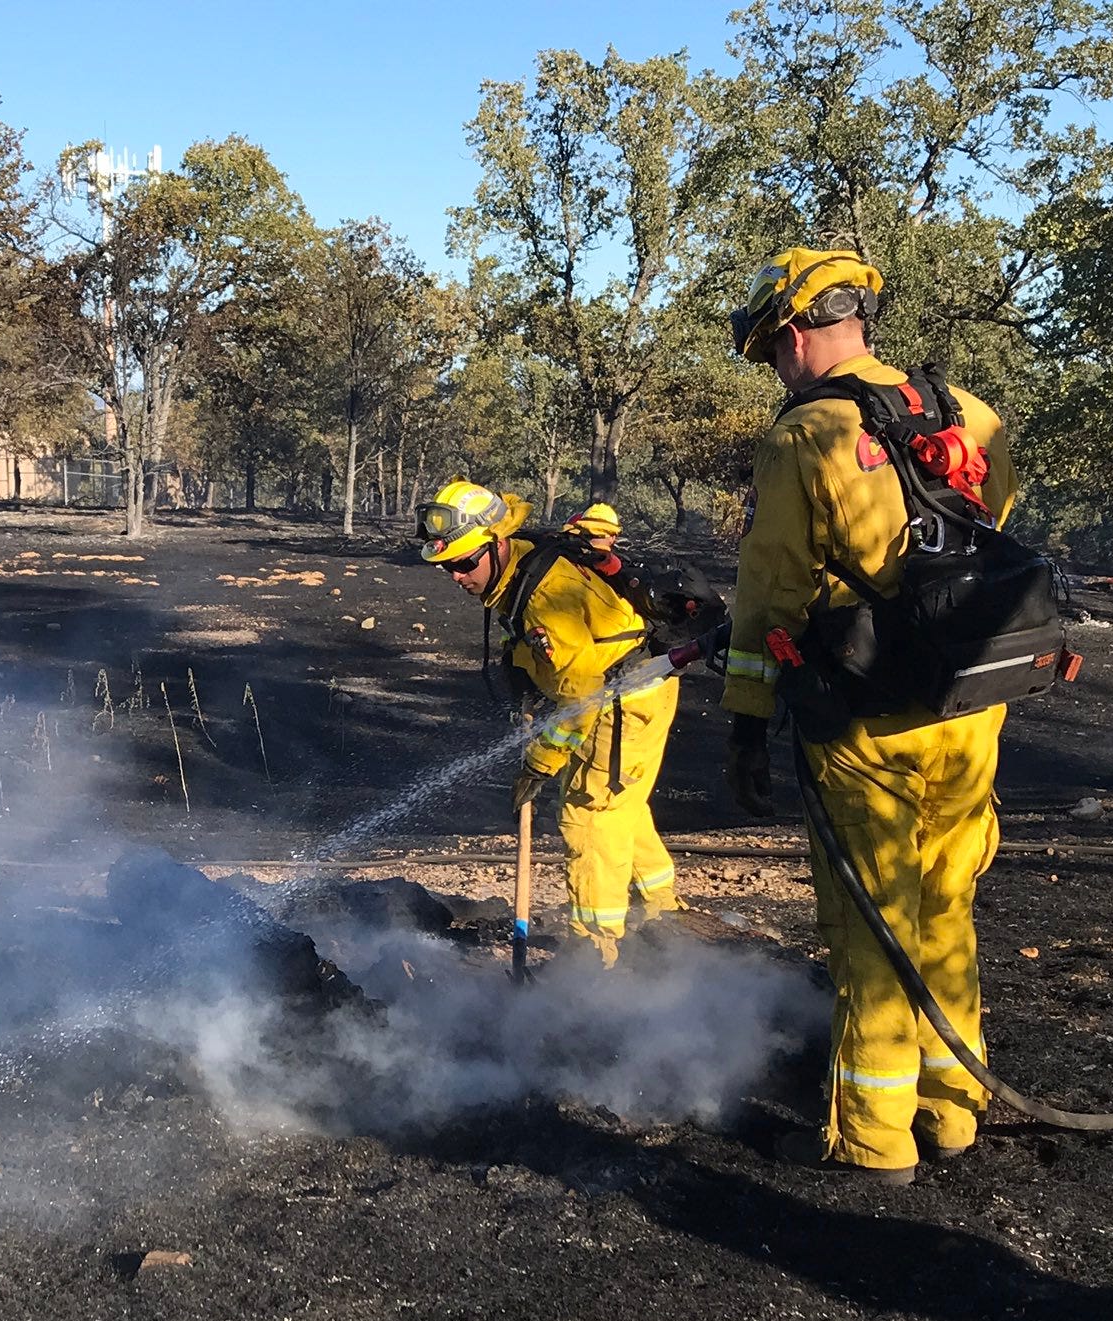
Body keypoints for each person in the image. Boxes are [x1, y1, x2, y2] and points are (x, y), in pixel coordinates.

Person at [724, 247, 1018, 1184]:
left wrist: (746, 718)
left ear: (794, 334)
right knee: (946, 903)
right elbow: (986, 538)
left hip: (867, 719)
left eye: (772, 350)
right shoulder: (970, 412)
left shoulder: (805, 436)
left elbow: (772, 590)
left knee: (872, 920)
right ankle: (953, 1107)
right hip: (970, 705)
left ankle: (874, 1136)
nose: (777, 367)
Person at [419, 482, 681, 966]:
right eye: (447, 567)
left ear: (495, 543)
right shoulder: (521, 564)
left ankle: (594, 953)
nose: (456, 576)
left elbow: (580, 693)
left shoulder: (543, 595)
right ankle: (662, 910)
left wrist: (540, 762)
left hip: (621, 699)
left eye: (464, 563)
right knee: (617, 800)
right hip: (629, 687)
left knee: (590, 814)